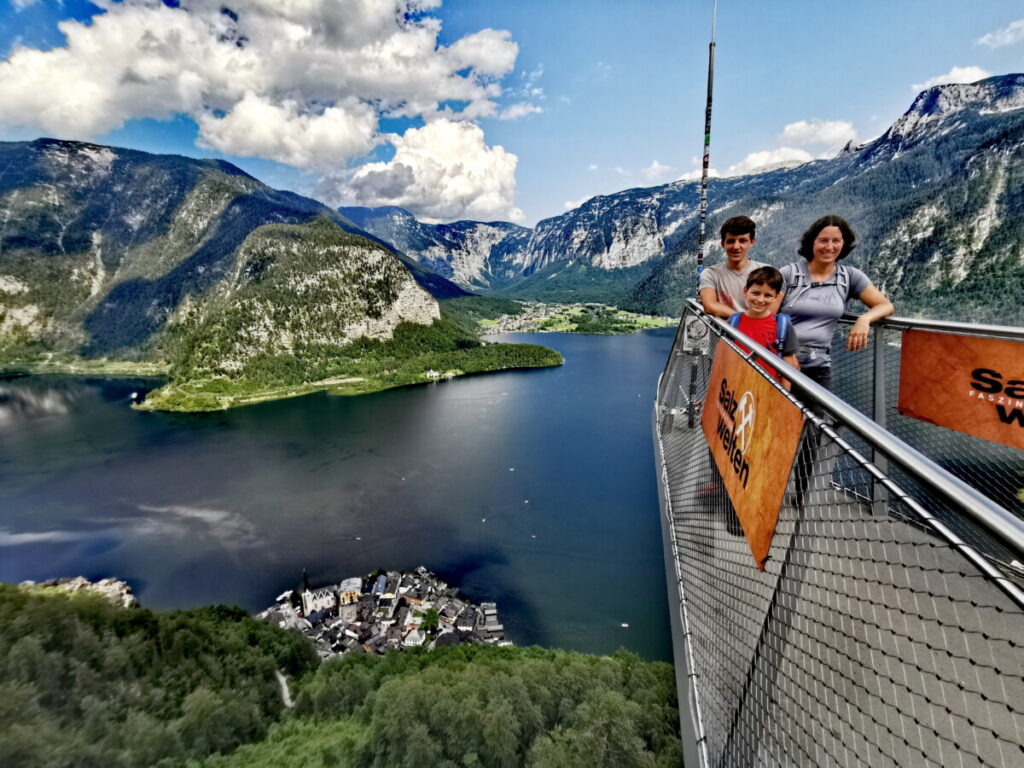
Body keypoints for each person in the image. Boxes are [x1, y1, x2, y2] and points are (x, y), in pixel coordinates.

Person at [778, 215, 894, 390]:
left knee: (817, 417)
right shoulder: (789, 274)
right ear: (812, 242)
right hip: (780, 362)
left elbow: (886, 305)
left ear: (844, 244)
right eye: (823, 240)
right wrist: (786, 353)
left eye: (836, 241)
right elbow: (768, 317)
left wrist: (864, 319)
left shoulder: (849, 277)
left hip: (818, 366)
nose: (830, 247)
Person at [727, 266, 800, 383]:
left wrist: (783, 397)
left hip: (769, 390)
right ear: (745, 291)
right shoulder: (733, 321)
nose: (760, 300)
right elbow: (725, 357)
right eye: (756, 293)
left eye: (768, 295)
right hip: (737, 386)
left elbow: (788, 365)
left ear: (775, 297)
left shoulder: (783, 325)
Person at [699, 215, 765, 318]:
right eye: (731, 241)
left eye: (742, 241)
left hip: (756, 332)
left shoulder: (765, 272)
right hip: (723, 332)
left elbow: (771, 309)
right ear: (722, 244)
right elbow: (709, 305)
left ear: (752, 242)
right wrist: (744, 320)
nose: (736, 247)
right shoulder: (711, 273)